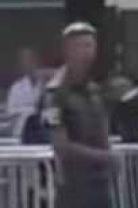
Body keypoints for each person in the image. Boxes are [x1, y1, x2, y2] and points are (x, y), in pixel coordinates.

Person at [42, 22, 113, 208]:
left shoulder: (94, 90)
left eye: (90, 46)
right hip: (74, 188)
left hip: (101, 184)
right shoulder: (55, 94)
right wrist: (102, 156)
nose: (87, 53)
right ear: (68, 50)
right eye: (81, 46)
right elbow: (60, 145)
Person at [3, 46, 47, 140]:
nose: (28, 64)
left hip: (43, 133)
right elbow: (10, 111)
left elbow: (51, 109)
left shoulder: (46, 85)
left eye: (31, 60)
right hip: (21, 133)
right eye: (25, 60)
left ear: (36, 61)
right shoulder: (16, 87)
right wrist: (30, 111)